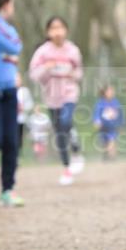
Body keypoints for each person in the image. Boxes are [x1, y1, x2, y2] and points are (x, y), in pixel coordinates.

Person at [29, 17, 84, 186]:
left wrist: (71, 74)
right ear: (48, 32)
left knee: (66, 121)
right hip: (51, 98)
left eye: (60, 27)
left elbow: (79, 72)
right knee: (59, 132)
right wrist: (46, 67)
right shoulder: (43, 52)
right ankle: (66, 168)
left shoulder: (72, 50)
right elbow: (33, 75)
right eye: (53, 28)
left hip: (69, 94)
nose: (57, 32)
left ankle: (75, 150)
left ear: (66, 30)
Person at [0, 0, 24, 206]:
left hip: (9, 89)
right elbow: (14, 46)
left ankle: (8, 190)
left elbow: (12, 55)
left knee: (11, 142)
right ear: (5, 3)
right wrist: (13, 48)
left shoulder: (6, 27)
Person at [93, 84, 125, 160]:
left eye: (112, 91)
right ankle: (106, 156)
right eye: (110, 91)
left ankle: (112, 157)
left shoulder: (116, 102)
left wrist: (122, 124)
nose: (112, 92)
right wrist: (97, 121)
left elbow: (120, 114)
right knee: (105, 143)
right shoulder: (100, 103)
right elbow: (97, 113)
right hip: (103, 127)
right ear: (105, 93)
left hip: (112, 127)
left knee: (112, 140)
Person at [16, 73, 34, 157]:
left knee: (19, 138)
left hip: (21, 119)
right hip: (8, 120)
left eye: (18, 78)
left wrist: (23, 108)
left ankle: (18, 156)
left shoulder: (24, 91)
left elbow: (30, 104)